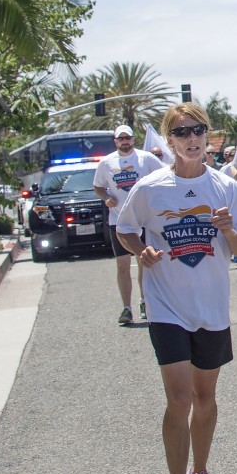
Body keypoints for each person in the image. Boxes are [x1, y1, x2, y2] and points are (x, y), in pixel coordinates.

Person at [115, 102, 237, 474]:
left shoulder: (224, 186)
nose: (191, 138)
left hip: (210, 308)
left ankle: (201, 473)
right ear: (169, 140)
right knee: (178, 399)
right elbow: (125, 228)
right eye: (181, 132)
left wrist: (229, 230)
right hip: (166, 307)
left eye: (198, 130)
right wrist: (142, 252)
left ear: (208, 136)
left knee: (204, 399)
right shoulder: (150, 187)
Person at [93, 124, 165, 325]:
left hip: (144, 219)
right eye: (121, 139)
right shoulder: (107, 163)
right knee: (122, 264)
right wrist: (106, 197)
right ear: (116, 142)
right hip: (119, 221)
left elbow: (165, 176)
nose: (125, 141)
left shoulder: (146, 158)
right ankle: (126, 308)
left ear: (134, 139)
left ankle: (144, 301)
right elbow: (98, 187)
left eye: (128, 138)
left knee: (145, 260)